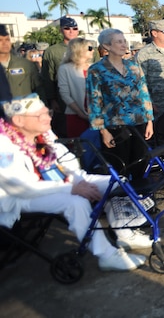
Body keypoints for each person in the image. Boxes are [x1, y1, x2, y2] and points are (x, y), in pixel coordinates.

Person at [0, 94, 152, 271]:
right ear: (18, 120)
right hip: (21, 198)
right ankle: (106, 256)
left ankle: (124, 232)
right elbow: (23, 188)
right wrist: (72, 188)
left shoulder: (44, 133)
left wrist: (78, 181)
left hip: (59, 182)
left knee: (117, 182)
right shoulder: (4, 145)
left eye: (47, 112)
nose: (49, 117)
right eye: (41, 115)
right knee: (76, 203)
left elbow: (67, 162)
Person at [86, 29, 154, 180]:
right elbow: (94, 101)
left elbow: (144, 95)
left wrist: (149, 121)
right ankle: (121, 201)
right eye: (119, 41)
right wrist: (103, 131)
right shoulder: (96, 70)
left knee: (140, 166)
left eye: (124, 41)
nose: (124, 45)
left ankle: (140, 198)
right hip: (114, 127)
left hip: (139, 123)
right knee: (119, 169)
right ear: (106, 46)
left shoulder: (134, 67)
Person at [41, 17, 81, 137]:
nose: (71, 31)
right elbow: (48, 77)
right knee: (67, 132)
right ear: (61, 30)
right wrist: (52, 99)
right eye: (67, 28)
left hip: (85, 96)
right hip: (63, 98)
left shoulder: (88, 48)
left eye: (74, 28)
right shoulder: (52, 51)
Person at [57, 38, 94, 138]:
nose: (93, 50)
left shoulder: (94, 67)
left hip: (95, 114)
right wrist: (80, 113)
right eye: (90, 48)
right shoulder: (65, 69)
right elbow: (65, 94)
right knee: (79, 146)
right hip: (75, 115)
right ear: (79, 49)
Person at [0, 25, 41, 98]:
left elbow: (39, 88)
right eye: (0, 40)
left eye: (7, 40)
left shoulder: (25, 64)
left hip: (25, 107)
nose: (4, 43)